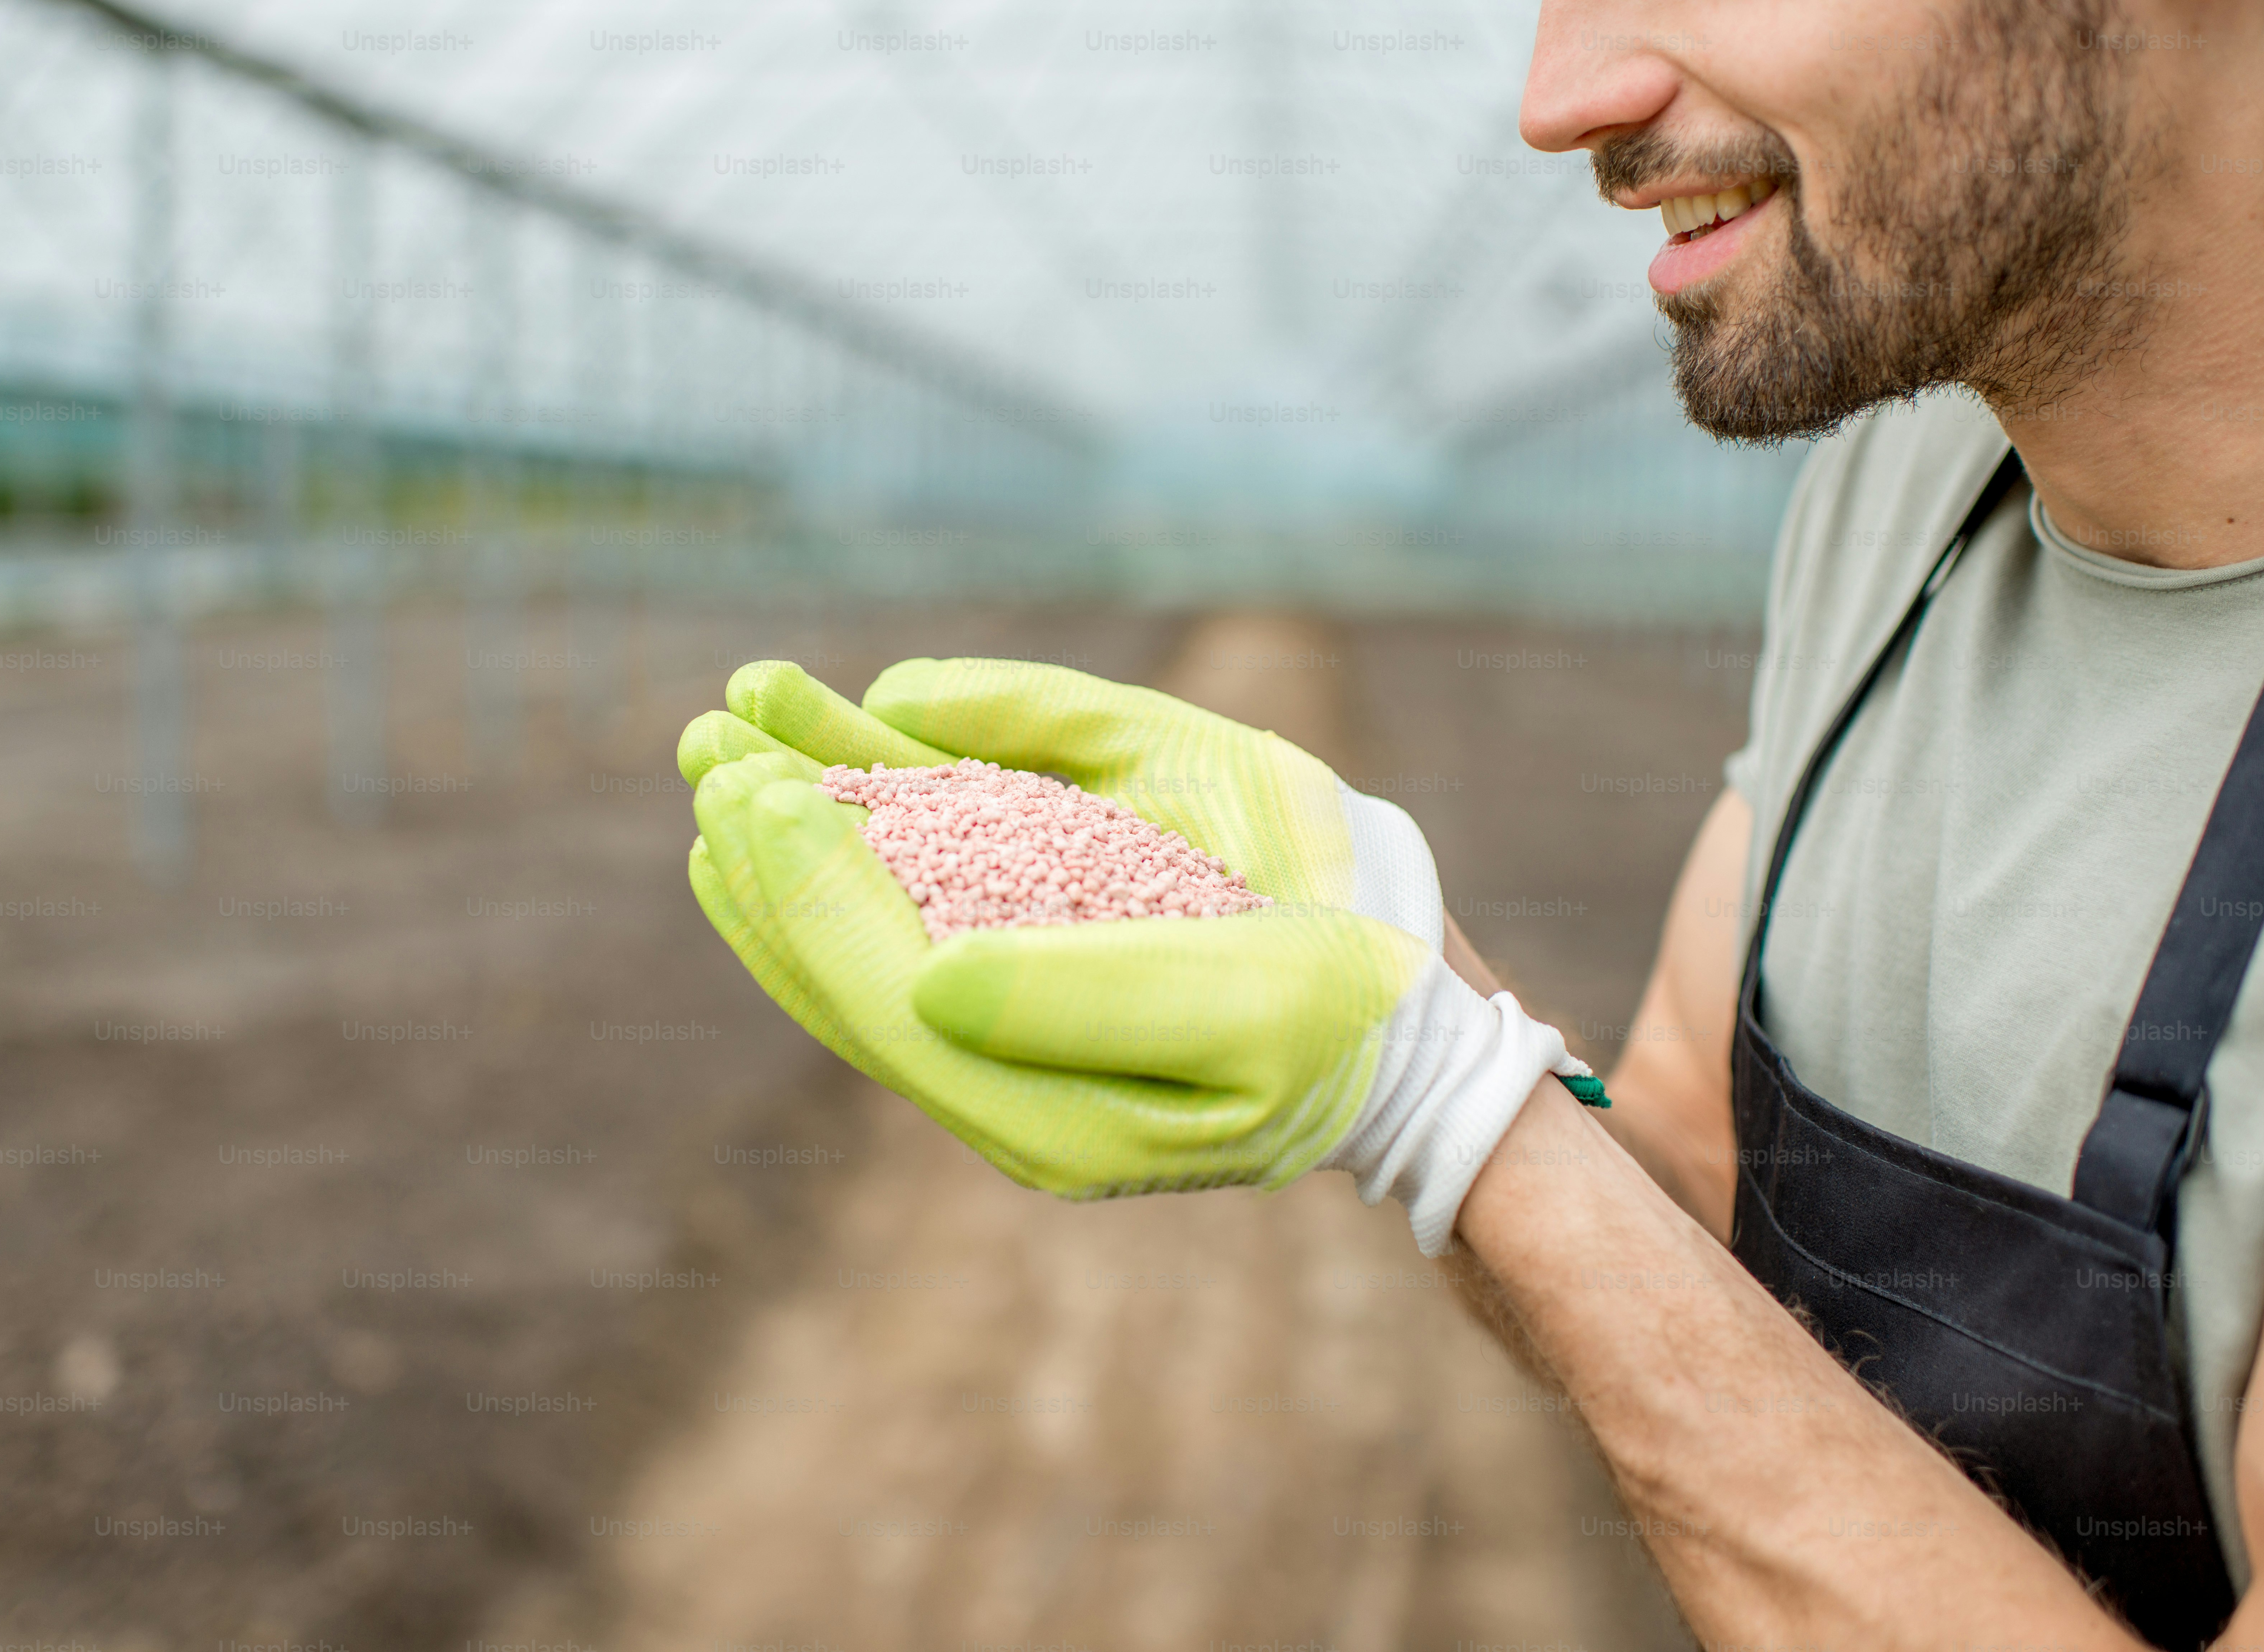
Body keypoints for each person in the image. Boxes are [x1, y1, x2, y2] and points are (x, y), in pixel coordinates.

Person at [679, 2, 2264, 1647]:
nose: (1558, 102)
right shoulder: (1904, 496)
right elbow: (1681, 1161)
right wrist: (1421, 983)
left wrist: (1456, 1107)